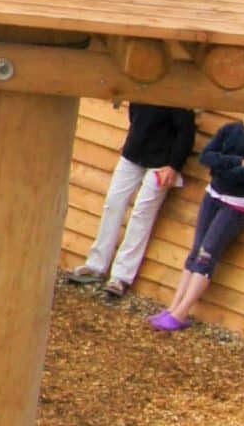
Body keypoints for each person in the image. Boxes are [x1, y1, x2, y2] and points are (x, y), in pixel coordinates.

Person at [152, 85, 244, 333]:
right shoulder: (229, 130)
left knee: (207, 254)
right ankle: (173, 306)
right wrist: (233, 162)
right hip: (214, 194)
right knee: (195, 251)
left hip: (237, 204)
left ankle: (181, 313)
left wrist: (229, 167)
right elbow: (206, 157)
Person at [68, 101, 197, 300]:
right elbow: (136, 116)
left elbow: (186, 132)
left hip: (161, 163)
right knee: (113, 203)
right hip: (132, 154)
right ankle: (96, 265)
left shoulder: (176, 96)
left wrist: (173, 165)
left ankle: (121, 276)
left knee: (141, 214)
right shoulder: (143, 87)